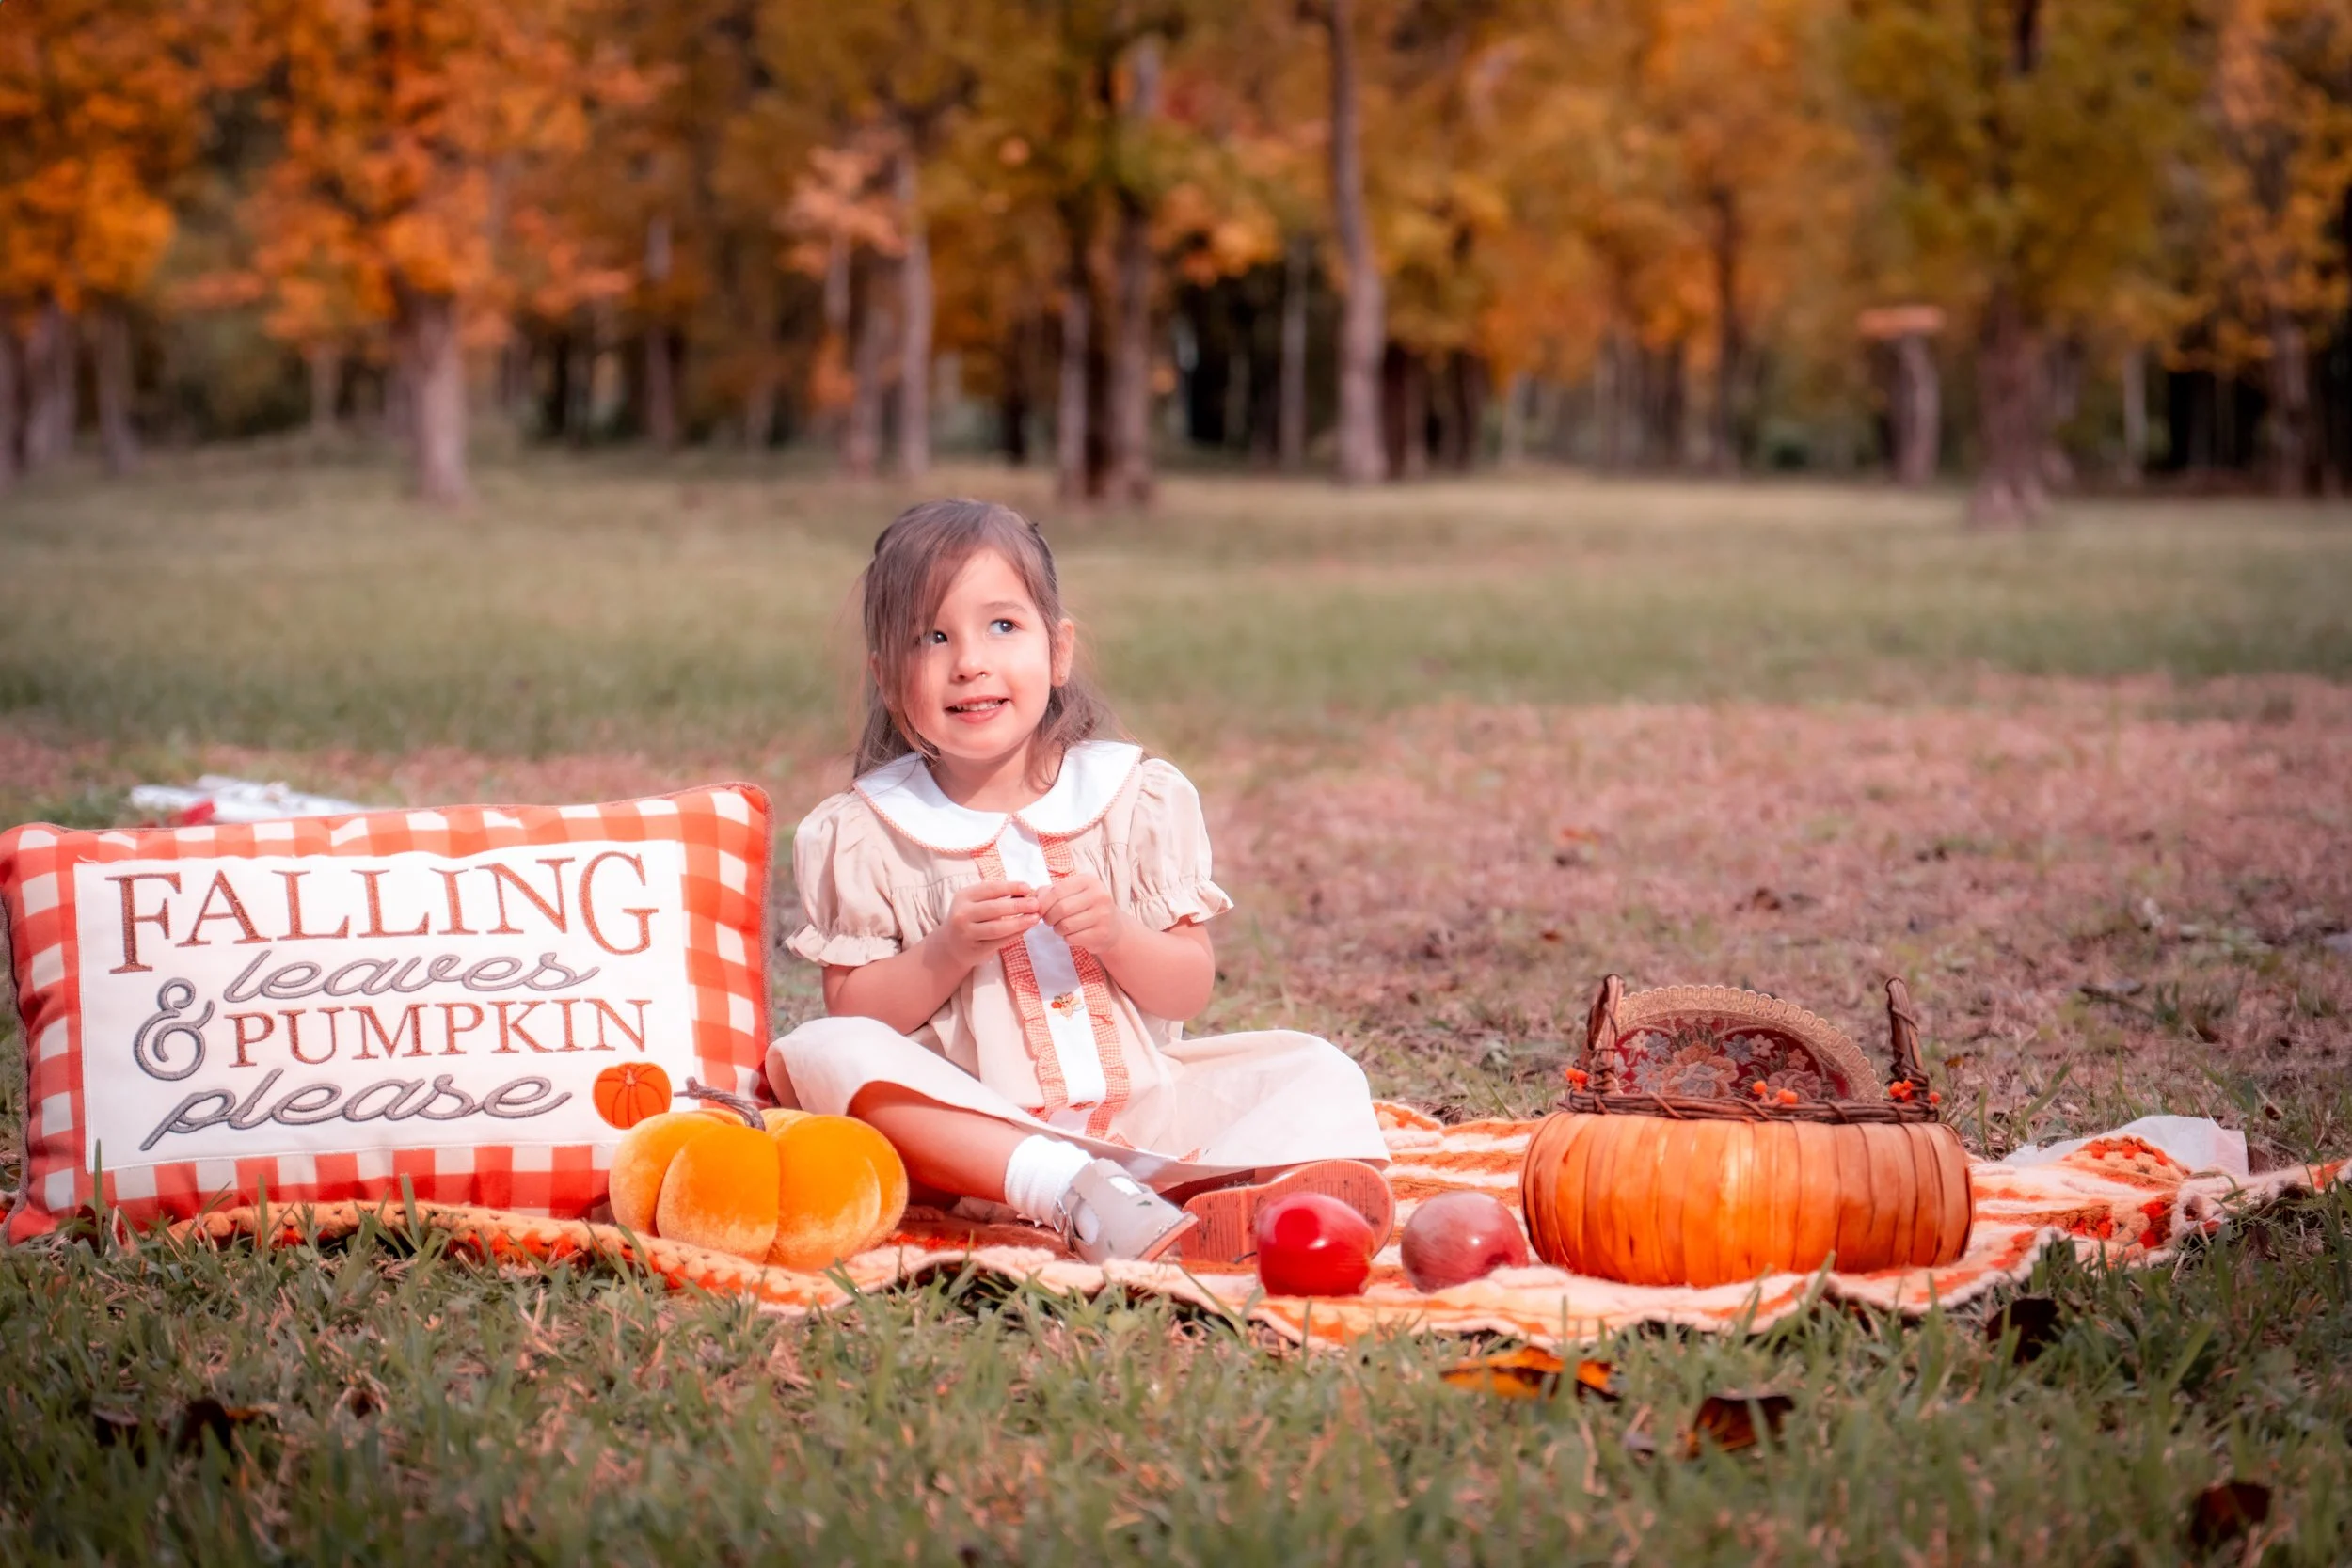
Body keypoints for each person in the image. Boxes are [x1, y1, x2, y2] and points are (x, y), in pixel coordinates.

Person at [768, 498, 1392, 1265]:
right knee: (824, 1052)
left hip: (1150, 1117)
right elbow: (857, 1010)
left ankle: (1245, 1199)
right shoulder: (869, 830)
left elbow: (1188, 987)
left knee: (1315, 1068)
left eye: (1003, 626)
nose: (969, 661)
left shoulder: (1134, 798)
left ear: (1058, 651)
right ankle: (1069, 1188)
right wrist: (947, 950)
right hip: (975, 1136)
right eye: (932, 637)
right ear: (888, 680)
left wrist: (1119, 937)